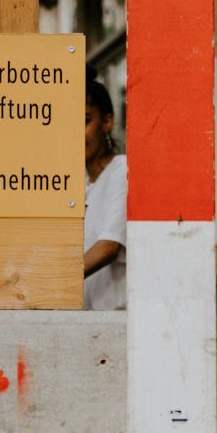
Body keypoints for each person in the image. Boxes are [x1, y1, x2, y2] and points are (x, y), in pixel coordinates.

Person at [83, 73, 127, 310]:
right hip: (86, 323)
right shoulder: (79, 182)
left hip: (117, 320)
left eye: (85, 120)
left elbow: (108, 246)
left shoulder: (122, 171)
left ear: (107, 122)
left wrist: (55, 282)